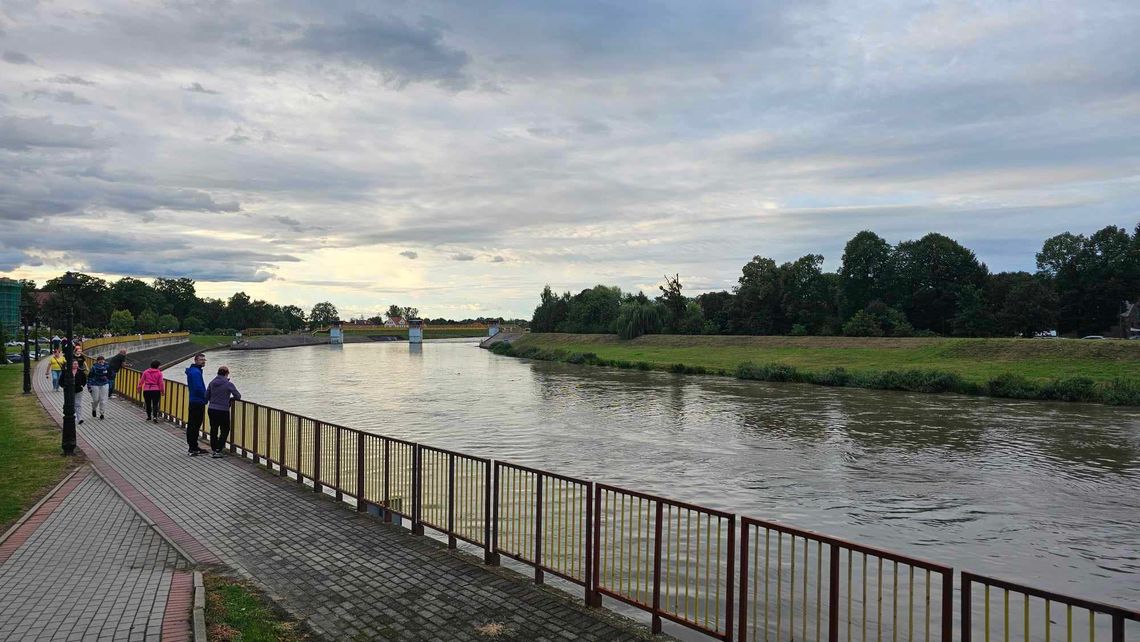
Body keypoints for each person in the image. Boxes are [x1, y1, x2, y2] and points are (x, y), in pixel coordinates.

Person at [205, 365, 241, 458]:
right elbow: (238, 396)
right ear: (226, 373)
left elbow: (206, 396)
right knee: (225, 429)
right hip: (223, 410)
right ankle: (219, 449)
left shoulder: (212, 382)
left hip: (212, 409)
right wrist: (229, 399)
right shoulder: (228, 384)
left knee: (214, 429)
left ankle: (214, 449)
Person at [184, 353, 209, 456]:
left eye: (204, 360)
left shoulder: (195, 371)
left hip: (194, 400)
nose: (203, 361)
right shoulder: (195, 372)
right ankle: (193, 448)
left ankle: (193, 446)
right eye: (201, 360)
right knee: (195, 424)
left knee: (193, 424)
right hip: (197, 401)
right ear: (196, 360)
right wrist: (206, 397)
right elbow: (198, 388)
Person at [87, 355, 110, 420]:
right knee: (96, 399)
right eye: (100, 362)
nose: (101, 363)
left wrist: (108, 380)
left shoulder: (107, 367)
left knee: (103, 400)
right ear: (97, 362)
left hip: (104, 384)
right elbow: (90, 377)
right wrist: (89, 386)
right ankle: (94, 409)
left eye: (102, 361)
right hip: (95, 384)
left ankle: (102, 413)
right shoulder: (94, 368)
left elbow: (111, 374)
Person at [71, 359, 87, 425]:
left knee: (78, 404)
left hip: (78, 390)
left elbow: (84, 379)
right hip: (69, 391)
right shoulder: (67, 371)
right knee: (71, 404)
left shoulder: (80, 372)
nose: (76, 365)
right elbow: (61, 380)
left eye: (77, 364)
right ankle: (72, 416)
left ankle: (79, 418)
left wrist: (82, 385)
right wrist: (64, 386)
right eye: (74, 364)